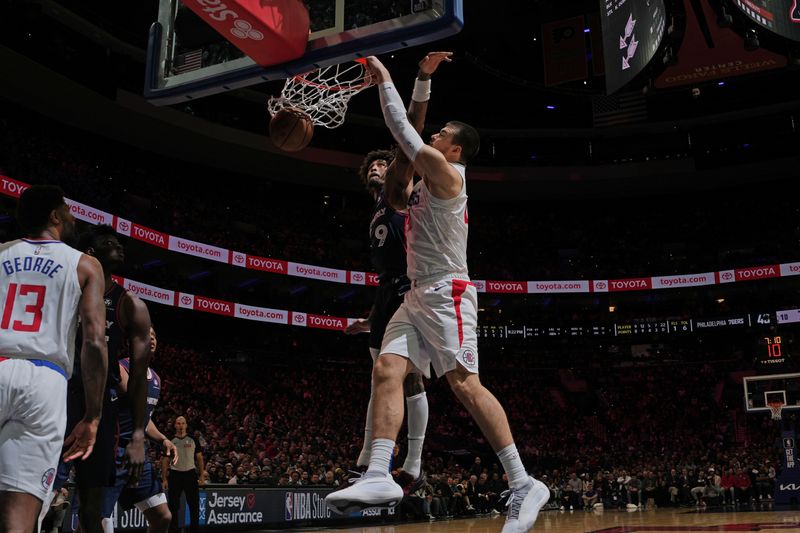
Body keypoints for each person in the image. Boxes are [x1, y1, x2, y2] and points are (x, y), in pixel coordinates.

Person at [325, 55, 549, 533]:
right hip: (415, 295)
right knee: (386, 368)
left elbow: (405, 132)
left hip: (449, 290)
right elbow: (404, 152)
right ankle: (380, 472)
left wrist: (388, 78)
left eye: (443, 133)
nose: (435, 135)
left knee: (465, 385)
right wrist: (422, 79)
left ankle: (523, 481)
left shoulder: (450, 178)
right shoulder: (418, 183)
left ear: (456, 149)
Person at [345, 51, 452, 493]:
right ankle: (380, 458)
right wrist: (371, 317)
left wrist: (421, 81)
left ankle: (403, 458)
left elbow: (411, 128)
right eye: (371, 165)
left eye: (383, 163)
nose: (377, 167)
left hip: (414, 288)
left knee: (404, 376)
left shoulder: (398, 190)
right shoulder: (373, 211)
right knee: (383, 374)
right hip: (388, 293)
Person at [0, 184, 108, 533]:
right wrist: (92, 416)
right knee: (19, 515)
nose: (73, 216)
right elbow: (93, 342)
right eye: (68, 209)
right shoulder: (85, 265)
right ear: (55, 216)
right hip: (46, 381)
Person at [55, 224, 152, 533]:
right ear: (92, 254)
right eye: (110, 243)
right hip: (56, 396)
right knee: (38, 496)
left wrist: (138, 436)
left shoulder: (130, 304)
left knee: (91, 508)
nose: (119, 247)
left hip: (100, 407)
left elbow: (138, 379)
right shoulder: (63, 289)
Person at [101, 327, 176, 533]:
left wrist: (163, 439)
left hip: (138, 456)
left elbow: (145, 418)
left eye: (154, 335)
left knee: (163, 517)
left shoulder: (157, 379)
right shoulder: (120, 368)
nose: (151, 339)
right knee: (98, 521)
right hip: (113, 453)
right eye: (145, 335)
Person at [163, 416, 206, 533]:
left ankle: (194, 530)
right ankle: (173, 530)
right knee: (173, 506)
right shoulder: (170, 440)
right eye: (178, 423)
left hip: (190, 475)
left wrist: (201, 475)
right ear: (175, 425)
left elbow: (199, 458)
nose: (181, 426)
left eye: (183, 423)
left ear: (186, 425)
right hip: (175, 475)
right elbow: (165, 460)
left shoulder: (193, 439)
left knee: (194, 506)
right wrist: (164, 479)